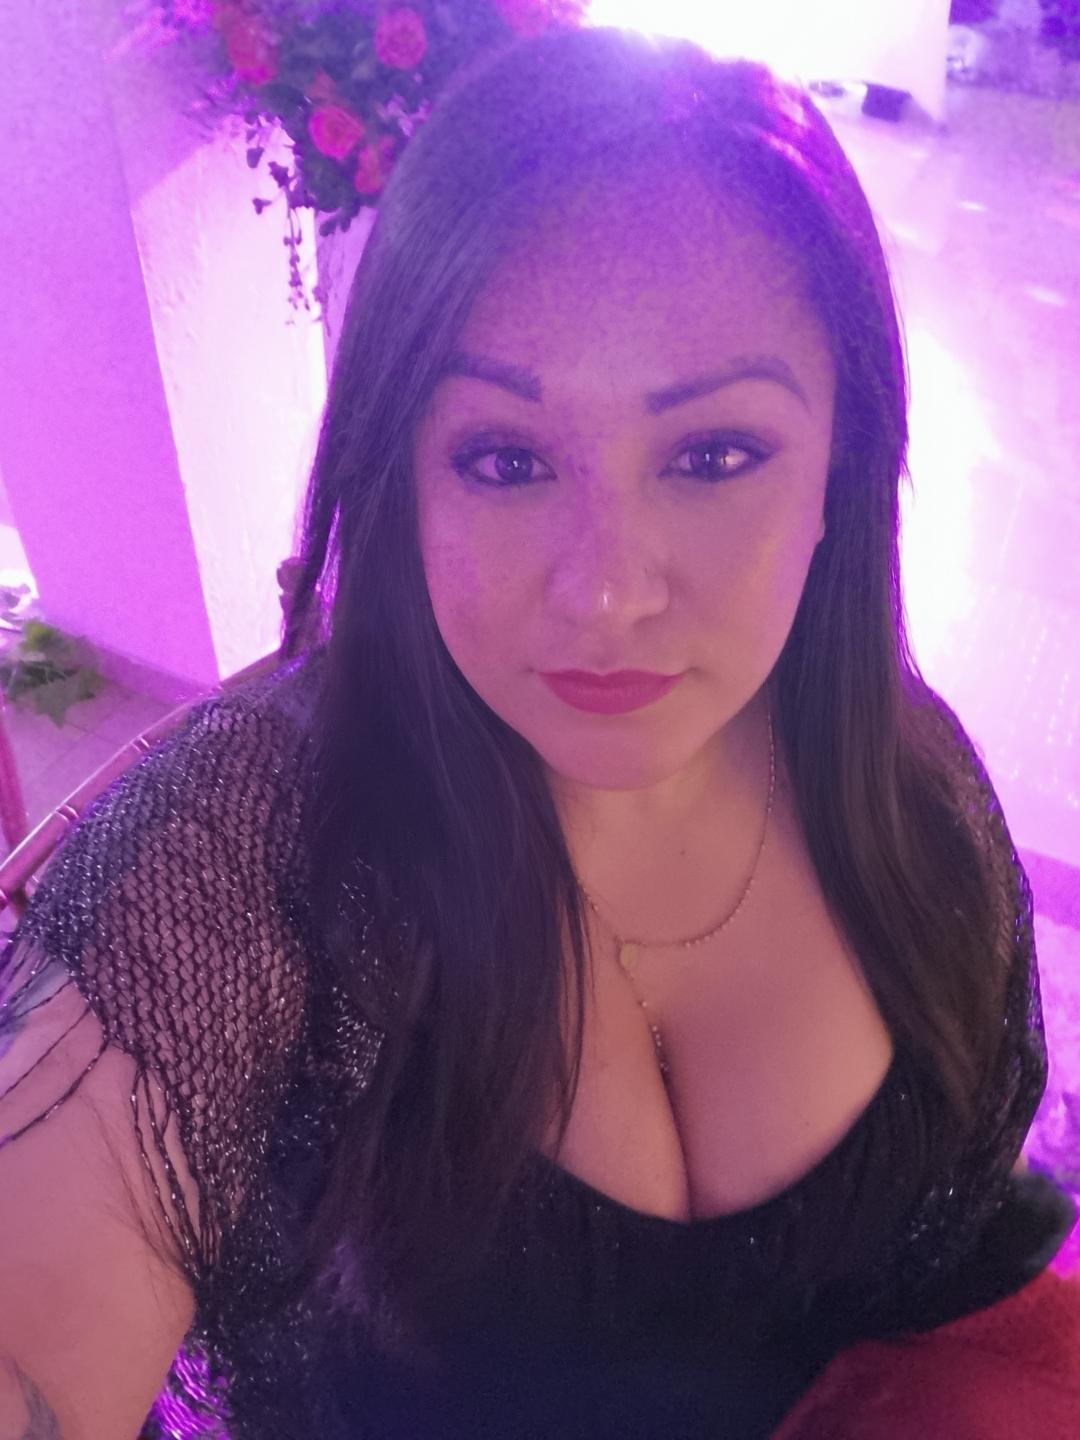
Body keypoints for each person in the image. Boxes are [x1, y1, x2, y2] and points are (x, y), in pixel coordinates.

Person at [0, 22, 1074, 1440]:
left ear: (843, 467)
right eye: (505, 460)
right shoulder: (238, 859)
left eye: (713, 455)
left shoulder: (907, 786)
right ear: (402, 476)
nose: (608, 592)